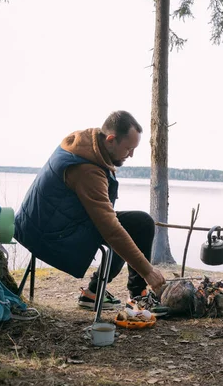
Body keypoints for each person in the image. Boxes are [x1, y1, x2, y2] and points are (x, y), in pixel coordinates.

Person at [14, 110, 166, 310]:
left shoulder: (87, 144)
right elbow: (110, 229)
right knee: (123, 230)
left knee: (140, 223)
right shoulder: (87, 169)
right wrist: (148, 271)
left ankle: (110, 293)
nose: (131, 155)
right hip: (50, 232)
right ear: (111, 139)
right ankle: (128, 295)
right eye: (128, 148)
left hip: (46, 222)